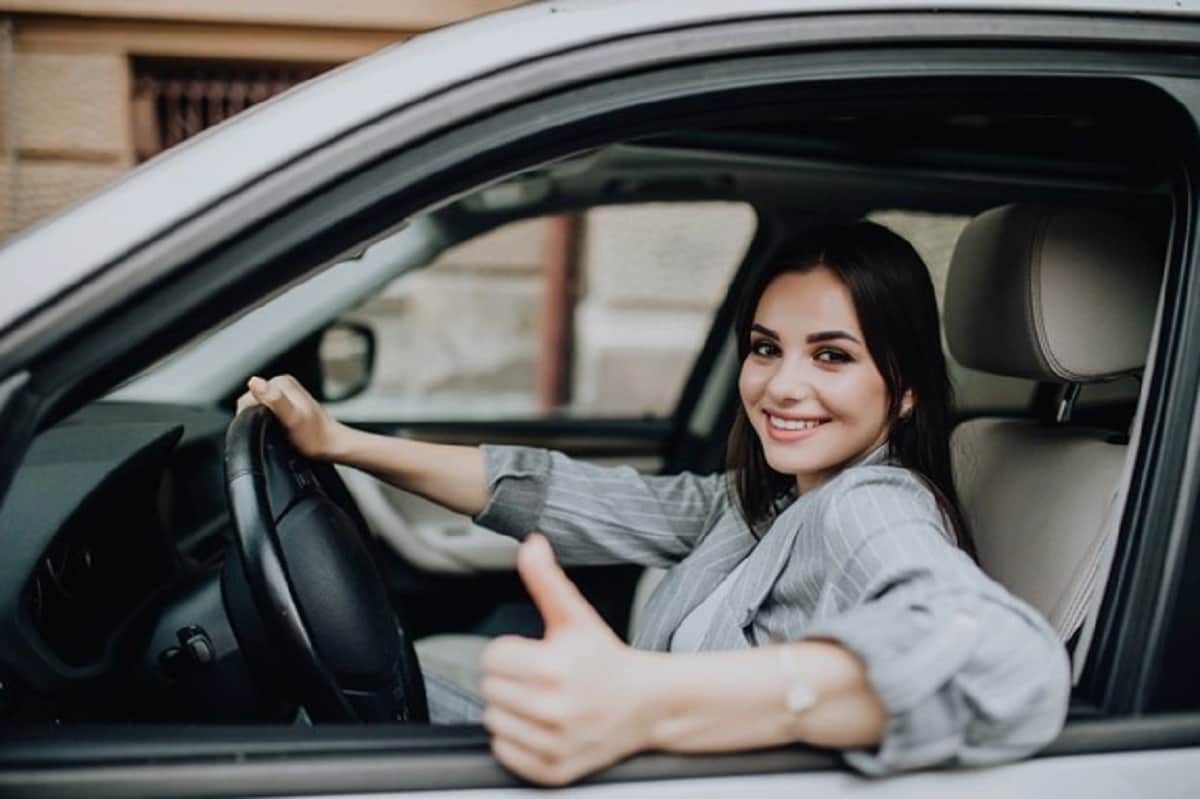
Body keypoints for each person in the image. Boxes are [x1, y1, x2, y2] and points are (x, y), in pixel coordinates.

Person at [238, 221, 1070, 786]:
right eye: (766, 349)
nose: (784, 385)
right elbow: (565, 495)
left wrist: (649, 698)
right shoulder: (762, 501)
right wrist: (343, 443)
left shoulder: (872, 507)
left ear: (907, 391)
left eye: (832, 356)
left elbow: (1004, 660)